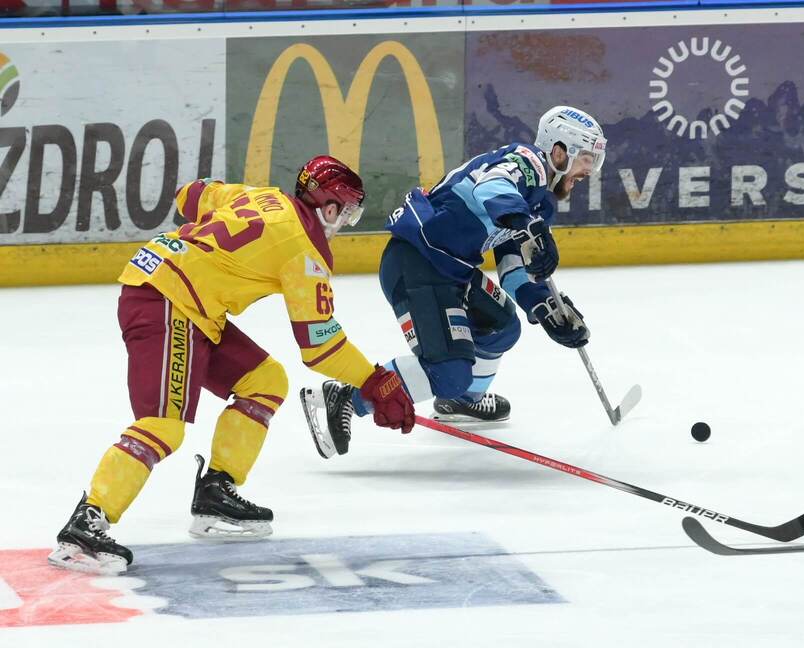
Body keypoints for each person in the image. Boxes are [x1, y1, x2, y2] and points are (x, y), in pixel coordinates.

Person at [48, 156, 415, 575]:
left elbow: (190, 194)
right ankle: (87, 523)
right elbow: (320, 346)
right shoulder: (305, 253)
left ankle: (215, 493)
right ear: (328, 207)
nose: (343, 223)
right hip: (170, 302)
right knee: (162, 425)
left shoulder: (262, 197)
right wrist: (374, 380)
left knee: (265, 380)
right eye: (346, 213)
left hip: (178, 294)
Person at [301, 106, 605, 458]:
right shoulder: (526, 163)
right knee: (449, 372)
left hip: (451, 271)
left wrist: (545, 306)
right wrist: (528, 225)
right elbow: (492, 188)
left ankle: (460, 401)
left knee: (503, 325)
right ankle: (346, 398)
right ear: (558, 151)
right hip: (417, 264)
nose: (589, 171)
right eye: (585, 159)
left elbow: (512, 264)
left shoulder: (539, 201)